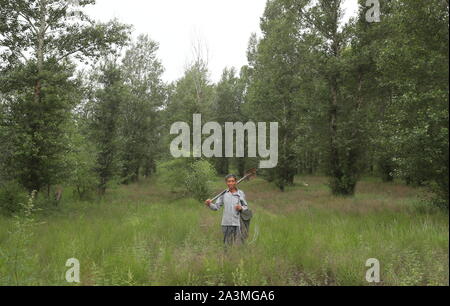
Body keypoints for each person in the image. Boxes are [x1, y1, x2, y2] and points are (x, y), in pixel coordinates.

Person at [205, 174, 249, 246]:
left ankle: (236, 256)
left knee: (238, 244)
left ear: (236, 182)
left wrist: (241, 208)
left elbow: (246, 207)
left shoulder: (240, 193)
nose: (231, 183)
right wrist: (209, 204)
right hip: (226, 223)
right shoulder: (224, 194)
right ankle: (227, 256)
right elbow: (216, 207)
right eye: (229, 181)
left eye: (232, 181)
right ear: (226, 183)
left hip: (238, 223)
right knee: (227, 245)